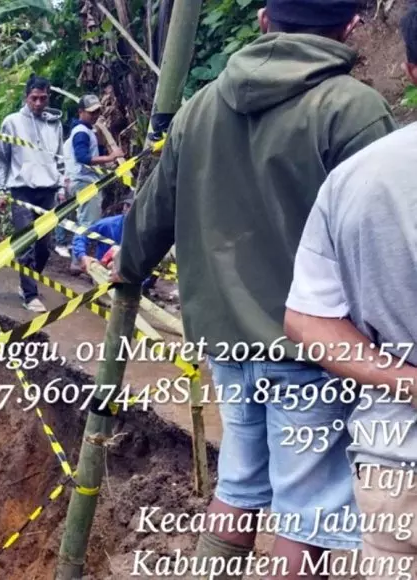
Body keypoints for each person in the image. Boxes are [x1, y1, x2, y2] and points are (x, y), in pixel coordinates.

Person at [111, 0, 397, 577]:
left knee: (240, 486)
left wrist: (130, 265)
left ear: (265, 21)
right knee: (309, 515)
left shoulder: (200, 107)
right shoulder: (351, 108)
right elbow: (385, 230)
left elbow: (153, 210)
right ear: (349, 28)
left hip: (227, 345)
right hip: (314, 349)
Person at [284, 7, 417, 576]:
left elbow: (308, 318)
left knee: (280, 500)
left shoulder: (360, 177)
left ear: (411, 68)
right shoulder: (354, 112)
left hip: (397, 454)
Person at [0, 74, 66, 313]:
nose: (38, 103)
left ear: (48, 97)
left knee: (45, 246)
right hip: (21, 190)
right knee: (27, 244)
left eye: (43, 98)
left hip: (48, 190)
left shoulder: (54, 124)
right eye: (34, 98)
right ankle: (30, 294)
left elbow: (60, 158)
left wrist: (62, 186)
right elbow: (1, 159)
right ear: (26, 97)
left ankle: (28, 281)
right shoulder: (11, 122)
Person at [55, 94, 122, 261]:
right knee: (87, 223)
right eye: (91, 112)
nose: (95, 115)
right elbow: (83, 158)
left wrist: (106, 163)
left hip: (76, 180)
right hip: (84, 182)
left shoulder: (84, 132)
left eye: (97, 111)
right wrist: (111, 157)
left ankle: (76, 256)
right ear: (81, 112)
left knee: (81, 221)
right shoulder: (81, 132)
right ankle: (79, 261)